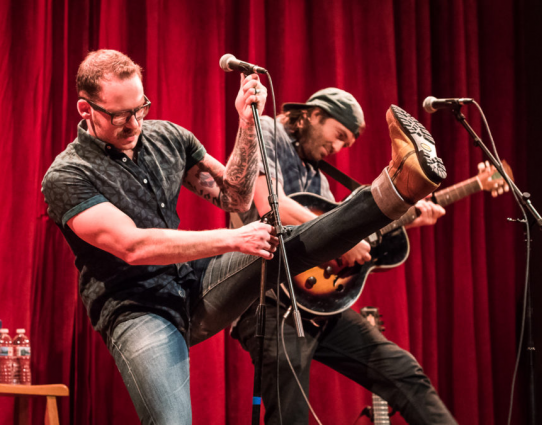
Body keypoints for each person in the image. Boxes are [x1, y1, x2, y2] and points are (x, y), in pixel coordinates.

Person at [41, 50, 446, 424]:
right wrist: (231, 240)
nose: (134, 124)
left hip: (193, 284)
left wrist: (247, 124)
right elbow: (133, 246)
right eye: (119, 115)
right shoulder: (67, 175)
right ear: (85, 108)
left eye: (140, 108)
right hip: (137, 309)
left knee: (279, 240)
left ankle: (396, 189)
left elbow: (234, 194)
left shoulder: (167, 138)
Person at [231, 88, 457, 424]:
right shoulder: (269, 131)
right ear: (313, 114)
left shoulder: (320, 180)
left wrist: (403, 219)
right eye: (338, 135)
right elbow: (267, 202)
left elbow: (335, 253)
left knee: (404, 373)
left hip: (318, 307)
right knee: (289, 414)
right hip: (269, 297)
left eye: (346, 144)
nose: (337, 148)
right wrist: (341, 239)